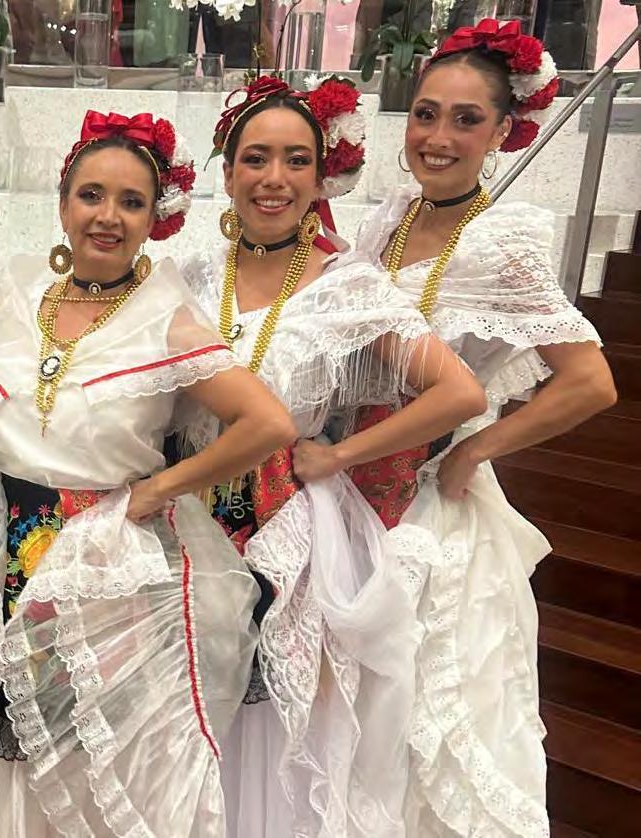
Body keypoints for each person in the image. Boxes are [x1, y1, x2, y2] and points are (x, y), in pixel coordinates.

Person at [0, 109, 298, 836]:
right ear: (62, 203)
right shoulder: (18, 296)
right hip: (4, 547)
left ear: (154, 218)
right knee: (10, 747)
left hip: (101, 562)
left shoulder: (165, 316)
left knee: (92, 750)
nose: (107, 217)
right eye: (91, 195)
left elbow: (268, 424)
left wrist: (159, 489)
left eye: (131, 201)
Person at [178, 73, 486, 837]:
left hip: (288, 534)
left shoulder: (345, 283)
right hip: (191, 525)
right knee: (189, 716)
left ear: (321, 178)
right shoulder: (189, 276)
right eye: (255, 158)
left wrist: (339, 453)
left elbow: (458, 392)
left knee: (270, 731)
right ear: (226, 173)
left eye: (295, 161)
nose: (273, 178)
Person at [340, 19, 616, 835]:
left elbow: (590, 381)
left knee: (423, 718)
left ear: (501, 132)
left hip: (434, 500)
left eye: (465, 120)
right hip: (361, 487)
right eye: (426, 114)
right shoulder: (390, 218)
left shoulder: (501, 243)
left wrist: (479, 450)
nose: (437, 137)